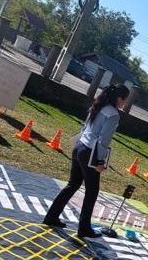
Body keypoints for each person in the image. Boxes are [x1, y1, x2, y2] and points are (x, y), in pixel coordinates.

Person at [43, 84, 130, 239]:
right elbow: (104, 139)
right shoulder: (113, 114)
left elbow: (85, 127)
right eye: (125, 100)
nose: (125, 103)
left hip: (80, 146)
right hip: (90, 152)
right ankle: (84, 228)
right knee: (92, 191)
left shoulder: (99, 105)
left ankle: (51, 216)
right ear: (119, 98)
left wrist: (82, 143)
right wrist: (100, 161)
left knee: (72, 184)